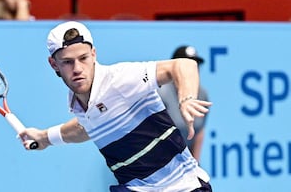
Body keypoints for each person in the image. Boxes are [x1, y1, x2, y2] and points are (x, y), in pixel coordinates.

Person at [20, 21, 212, 192]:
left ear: (93, 54)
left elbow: (183, 66)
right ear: (54, 64)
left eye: (83, 58)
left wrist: (186, 99)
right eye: (68, 62)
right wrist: (44, 138)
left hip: (183, 186)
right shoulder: (78, 105)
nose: (77, 68)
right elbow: (84, 128)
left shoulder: (120, 79)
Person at [158, 46, 208, 162]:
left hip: (184, 162)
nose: (191, 72)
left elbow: (199, 131)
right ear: (173, 69)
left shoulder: (202, 94)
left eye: (195, 66)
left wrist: (194, 165)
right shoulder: (161, 94)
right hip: (158, 163)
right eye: (187, 67)